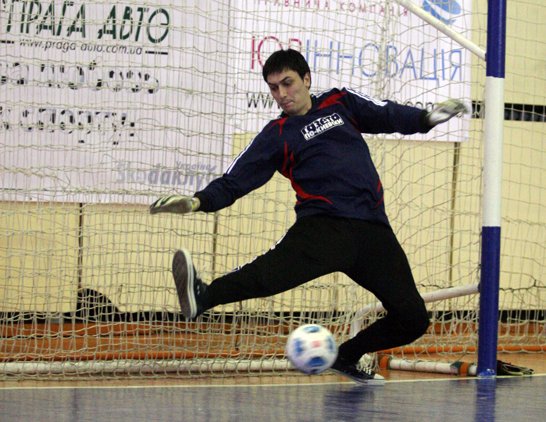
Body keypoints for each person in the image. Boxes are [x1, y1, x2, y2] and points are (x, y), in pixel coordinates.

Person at [150, 49, 468, 384]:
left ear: (307, 79)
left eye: (287, 83)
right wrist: (198, 202)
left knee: (413, 319)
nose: (282, 94)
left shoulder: (340, 102)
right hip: (322, 228)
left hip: (373, 230)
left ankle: (346, 356)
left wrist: (425, 119)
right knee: (266, 277)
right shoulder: (277, 134)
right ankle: (203, 296)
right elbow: (235, 181)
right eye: (274, 88)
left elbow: (385, 113)